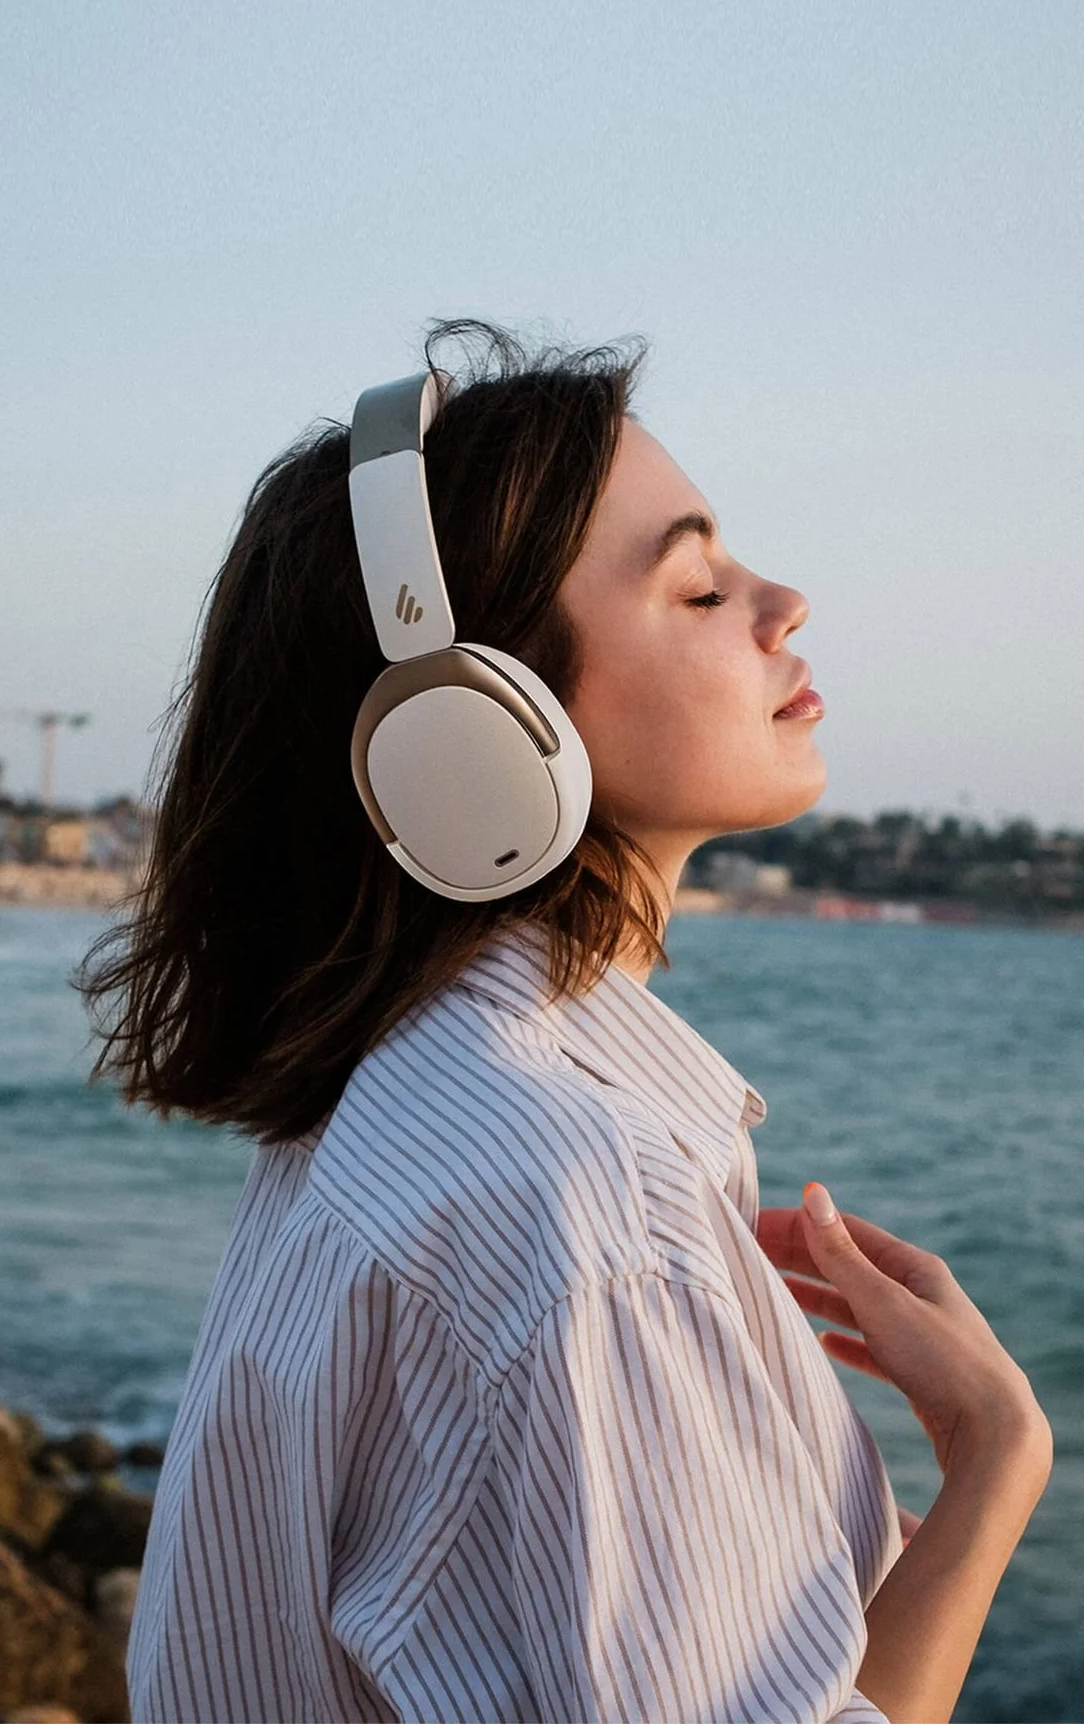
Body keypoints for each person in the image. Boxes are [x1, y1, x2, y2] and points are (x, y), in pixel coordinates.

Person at [82, 318, 1052, 1724]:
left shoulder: (399, 1105)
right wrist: (994, 1463)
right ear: (475, 730)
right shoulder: (587, 1209)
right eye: (699, 590)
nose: (786, 601)